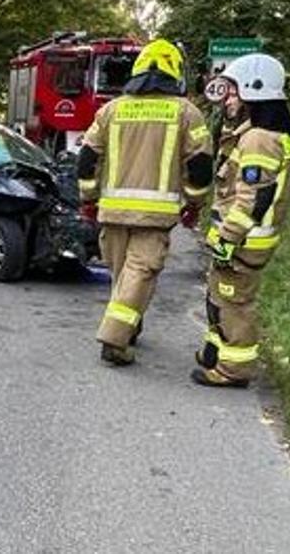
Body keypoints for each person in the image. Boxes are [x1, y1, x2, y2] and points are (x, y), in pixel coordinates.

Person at [75, 39, 213, 366]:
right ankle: (114, 339)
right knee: (139, 274)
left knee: (122, 275)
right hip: (155, 216)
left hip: (112, 211)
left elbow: (87, 158)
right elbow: (200, 167)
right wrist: (194, 202)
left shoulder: (111, 110)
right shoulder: (187, 113)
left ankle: (128, 328)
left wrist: (88, 198)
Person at [194, 53, 290, 388]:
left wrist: (227, 238)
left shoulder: (259, 138)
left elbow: (252, 198)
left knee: (234, 302)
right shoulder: (266, 133)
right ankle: (216, 352)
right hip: (244, 239)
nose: (228, 98)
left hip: (243, 241)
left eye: (235, 93)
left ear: (256, 92)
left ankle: (233, 369)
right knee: (219, 294)